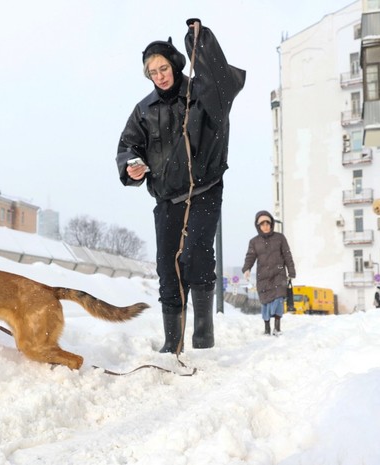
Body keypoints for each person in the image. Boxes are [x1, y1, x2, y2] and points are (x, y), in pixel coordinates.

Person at [116, 18, 245, 353]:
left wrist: (198, 41)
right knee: (167, 267)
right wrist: (131, 165)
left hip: (204, 189)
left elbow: (221, 82)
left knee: (195, 255)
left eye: (163, 68)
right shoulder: (144, 110)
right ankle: (172, 340)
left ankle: (203, 329)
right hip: (167, 197)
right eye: (152, 72)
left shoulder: (202, 94)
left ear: (174, 64)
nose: (159, 76)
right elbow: (128, 146)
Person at [242, 211, 296, 336]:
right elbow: (250, 256)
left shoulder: (280, 238)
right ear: (258, 226)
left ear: (271, 224)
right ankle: (267, 328)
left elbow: (287, 255)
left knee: (278, 300)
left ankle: (277, 328)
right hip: (263, 277)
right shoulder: (254, 242)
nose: (265, 226)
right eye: (262, 224)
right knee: (265, 303)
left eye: (268, 223)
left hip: (279, 275)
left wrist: (291, 272)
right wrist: (247, 268)